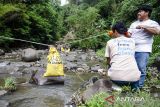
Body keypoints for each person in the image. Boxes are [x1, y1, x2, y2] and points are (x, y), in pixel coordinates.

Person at [128, 5, 160, 89]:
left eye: (140, 11)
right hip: (131, 49)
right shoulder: (134, 23)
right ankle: (132, 87)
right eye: (138, 11)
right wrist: (119, 32)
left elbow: (157, 32)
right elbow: (129, 35)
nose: (138, 13)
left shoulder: (152, 23)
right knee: (131, 68)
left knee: (141, 68)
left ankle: (138, 88)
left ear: (147, 12)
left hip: (143, 49)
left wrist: (144, 26)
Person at [105, 22, 141, 90]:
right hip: (133, 78)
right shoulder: (133, 41)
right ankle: (135, 93)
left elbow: (108, 61)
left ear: (115, 31)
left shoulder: (109, 42)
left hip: (116, 78)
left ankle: (116, 89)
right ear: (125, 31)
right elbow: (127, 36)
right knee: (135, 82)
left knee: (110, 67)